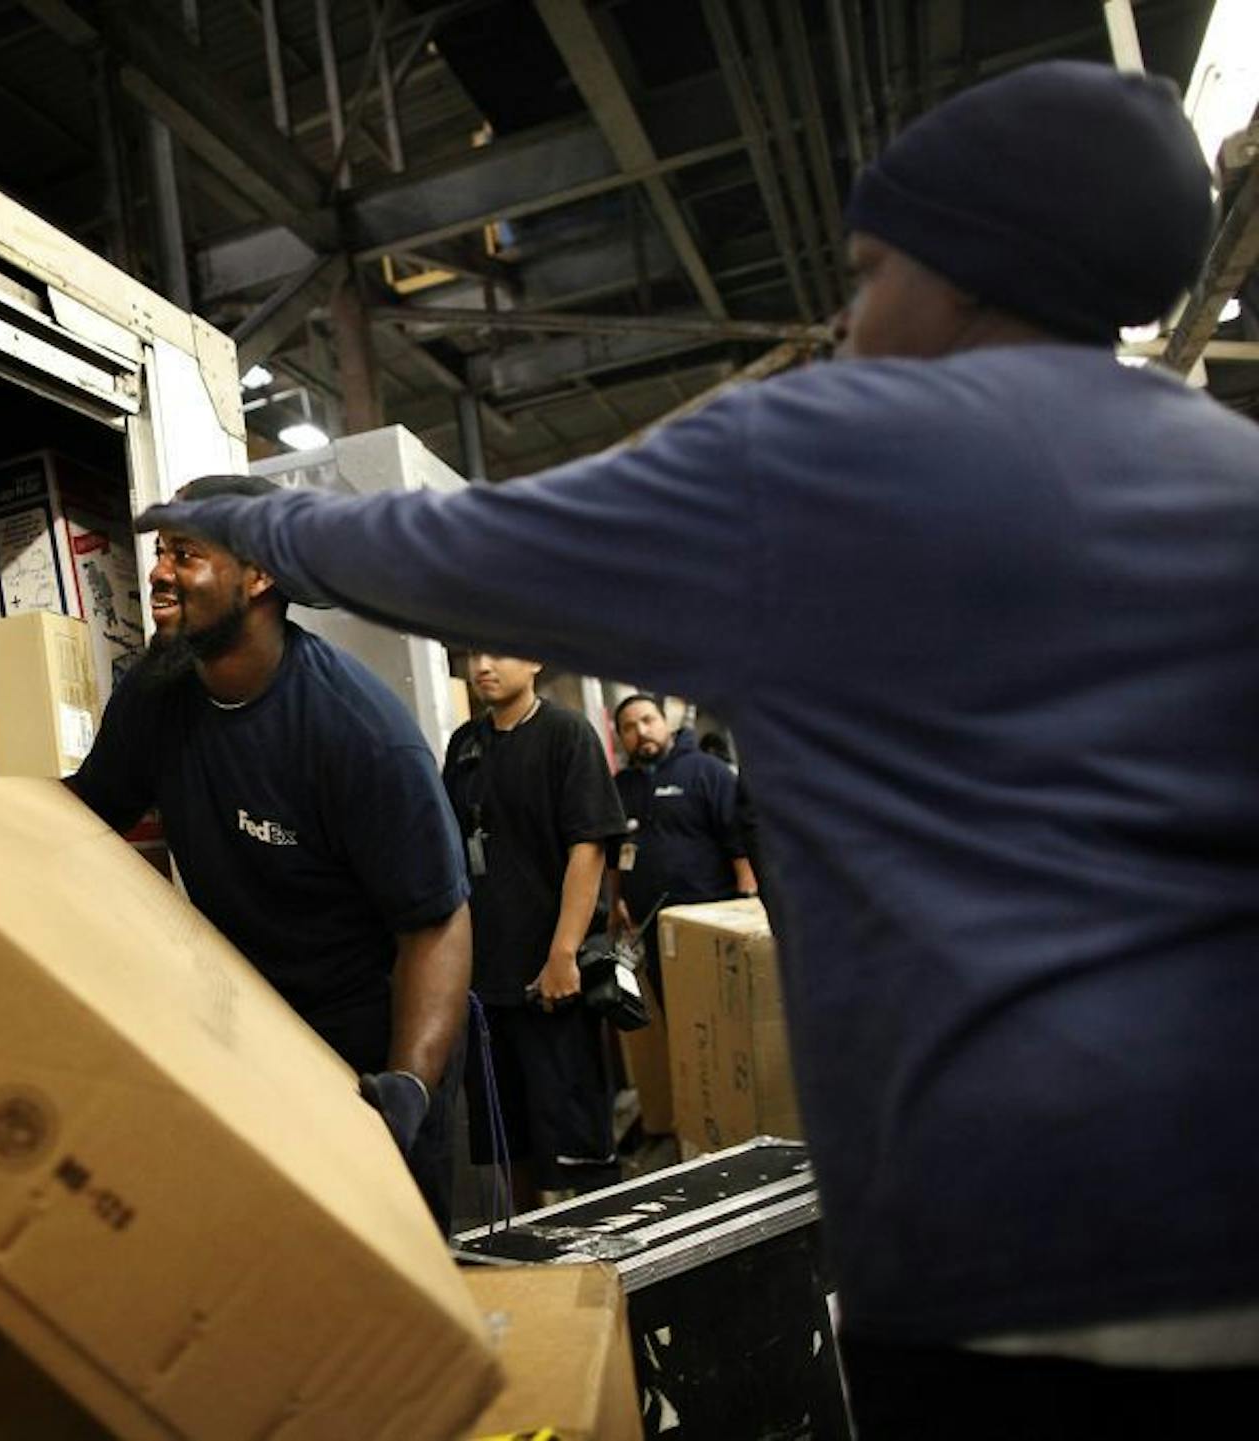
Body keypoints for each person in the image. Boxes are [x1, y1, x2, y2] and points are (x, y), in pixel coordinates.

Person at [134, 62, 1258, 1434]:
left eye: (868, 272)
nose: (849, 321)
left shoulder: (829, 456)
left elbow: (456, 554)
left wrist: (257, 524)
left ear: (964, 272)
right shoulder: (1229, 477)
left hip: (1016, 1255)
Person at [64, 473, 473, 1229]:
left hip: (369, 1043)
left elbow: (437, 923)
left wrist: (407, 1083)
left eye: (185, 554)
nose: (158, 571)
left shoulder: (358, 733)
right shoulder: (158, 693)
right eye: (161, 552)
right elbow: (86, 811)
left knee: (394, 1291)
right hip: (254, 1030)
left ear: (259, 575)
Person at [445, 654, 626, 1209]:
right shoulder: (465, 746)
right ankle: (531, 1260)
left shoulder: (566, 734)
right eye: (474, 655)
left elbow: (588, 847)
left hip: (552, 978)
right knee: (507, 1140)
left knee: (573, 1142)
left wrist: (563, 954)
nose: (482, 665)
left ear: (534, 659)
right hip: (486, 979)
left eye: (497, 652)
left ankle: (603, 1262)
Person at [608, 693, 755, 998]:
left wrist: (747, 902)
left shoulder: (706, 771)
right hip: (652, 929)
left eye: (648, 720)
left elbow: (740, 843)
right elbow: (616, 852)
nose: (641, 732)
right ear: (621, 737)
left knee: (723, 1011)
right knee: (678, 1017)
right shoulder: (620, 787)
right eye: (629, 727)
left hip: (711, 923)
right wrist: (616, 900)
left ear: (666, 723)